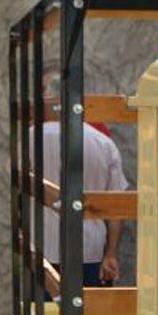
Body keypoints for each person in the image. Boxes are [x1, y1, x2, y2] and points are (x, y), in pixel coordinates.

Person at [36, 78, 129, 287]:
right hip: (90, 251)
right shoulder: (103, 143)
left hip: (42, 251)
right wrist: (111, 254)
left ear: (48, 99)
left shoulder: (30, 140)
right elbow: (118, 206)